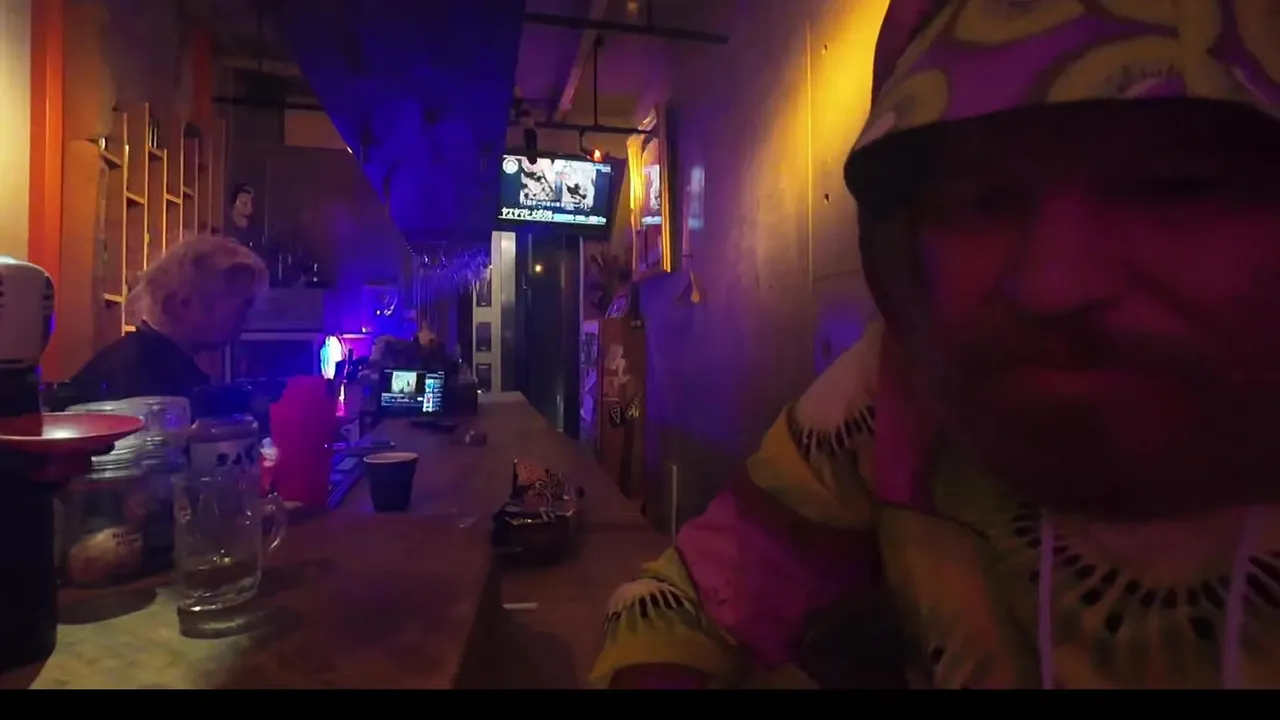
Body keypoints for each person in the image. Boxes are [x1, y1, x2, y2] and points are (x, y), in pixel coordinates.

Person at [592, 0, 1280, 689]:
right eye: (986, 198)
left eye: (1175, 186)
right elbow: (688, 603)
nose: (1054, 284)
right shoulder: (900, 387)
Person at [66, 235, 269, 404]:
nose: (247, 318)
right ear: (181, 304)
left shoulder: (146, 362)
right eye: (244, 305)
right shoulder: (146, 382)